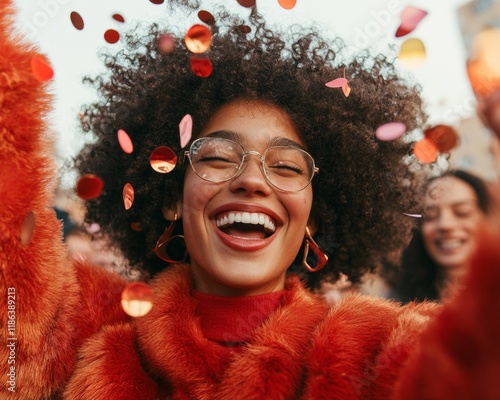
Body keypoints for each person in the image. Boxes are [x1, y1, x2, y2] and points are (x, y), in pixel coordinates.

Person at [1, 1, 500, 399]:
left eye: (286, 166)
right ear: (172, 198)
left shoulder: (375, 348)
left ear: (313, 214)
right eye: (218, 157)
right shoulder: (83, 329)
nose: (252, 181)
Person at [386, 169, 490, 303]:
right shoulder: (396, 305)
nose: (445, 224)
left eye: (462, 212)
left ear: (488, 218)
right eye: (430, 216)